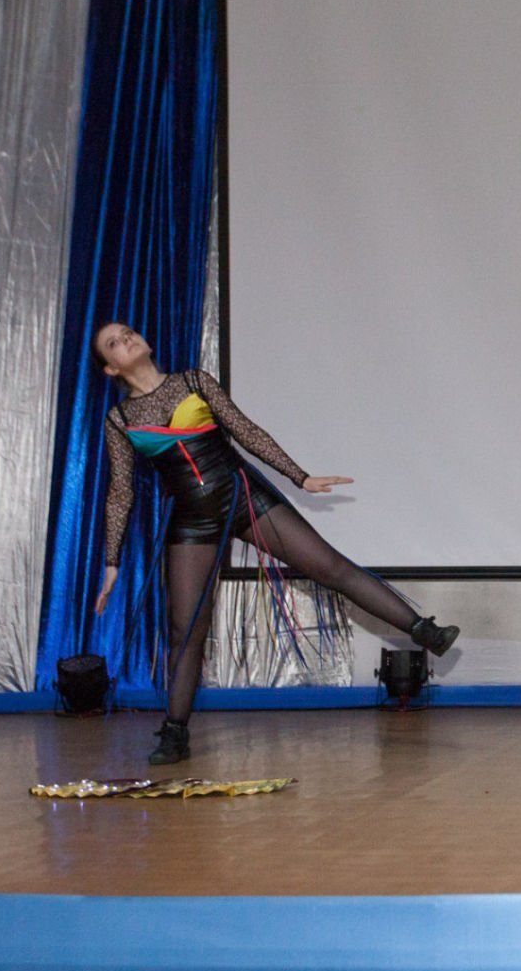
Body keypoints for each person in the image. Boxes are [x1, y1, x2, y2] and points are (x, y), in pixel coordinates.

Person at [93, 322, 459, 765]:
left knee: (330, 567)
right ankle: (174, 732)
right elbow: (120, 493)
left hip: (244, 498)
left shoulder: (193, 382)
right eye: (114, 343)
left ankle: (424, 630)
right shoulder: (120, 420)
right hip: (191, 522)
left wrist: (300, 478)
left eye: (127, 332)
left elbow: (246, 432)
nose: (127, 338)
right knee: (185, 630)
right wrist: (111, 562)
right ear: (111, 368)